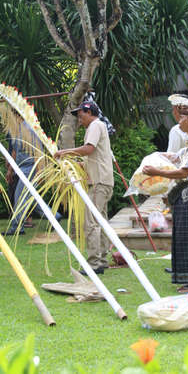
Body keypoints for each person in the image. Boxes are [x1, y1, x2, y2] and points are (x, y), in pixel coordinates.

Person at [143, 104, 188, 294]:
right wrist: (156, 157)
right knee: (184, 237)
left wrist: (156, 171)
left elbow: (183, 172)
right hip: (186, 195)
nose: (179, 121)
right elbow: (175, 157)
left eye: (181, 118)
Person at [54, 101, 114, 275]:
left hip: (97, 182)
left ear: (89, 112)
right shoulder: (99, 126)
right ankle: (101, 260)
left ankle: (94, 263)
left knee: (91, 222)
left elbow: (88, 149)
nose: (79, 120)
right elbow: (91, 156)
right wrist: (76, 163)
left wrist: (65, 152)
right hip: (103, 181)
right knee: (101, 221)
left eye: (81, 115)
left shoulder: (95, 126)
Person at [3, 125, 62, 236]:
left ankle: (16, 227)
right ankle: (54, 216)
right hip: (21, 168)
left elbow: (38, 151)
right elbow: (15, 151)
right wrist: (10, 170)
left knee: (19, 197)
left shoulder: (29, 129)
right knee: (32, 199)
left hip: (30, 168)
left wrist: (39, 171)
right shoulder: (16, 129)